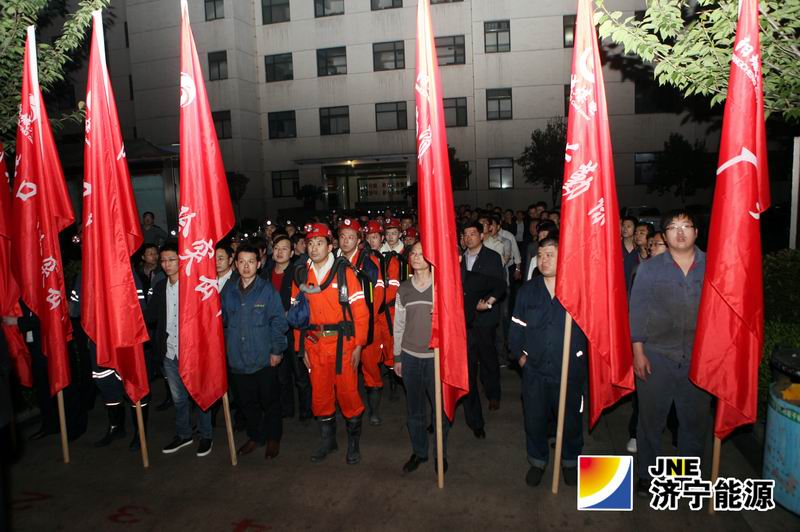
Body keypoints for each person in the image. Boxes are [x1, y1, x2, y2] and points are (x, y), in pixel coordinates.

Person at [629, 210, 711, 495]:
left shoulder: (713, 266)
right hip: (656, 355)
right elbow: (637, 311)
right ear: (663, 236)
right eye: (673, 227)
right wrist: (638, 352)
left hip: (700, 359)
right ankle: (647, 474)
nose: (680, 232)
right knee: (651, 420)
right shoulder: (650, 269)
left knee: (694, 423)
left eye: (686, 226)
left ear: (696, 232)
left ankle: (686, 478)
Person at [509, 236, 588, 487]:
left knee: (571, 419)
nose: (544, 260)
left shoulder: (577, 290)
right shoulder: (528, 291)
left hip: (569, 369)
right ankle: (537, 460)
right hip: (534, 370)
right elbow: (516, 328)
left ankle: (570, 461)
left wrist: (581, 360)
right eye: (540, 255)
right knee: (534, 418)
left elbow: (592, 331)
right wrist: (520, 359)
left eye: (550, 255)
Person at [291, 224, 370, 464]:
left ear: (330, 245)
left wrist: (358, 346)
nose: (314, 248)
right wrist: (300, 347)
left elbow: (361, 313)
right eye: (310, 243)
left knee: (348, 395)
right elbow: (297, 315)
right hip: (314, 345)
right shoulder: (301, 274)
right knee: (321, 396)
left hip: (343, 346)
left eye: (319, 243)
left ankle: (353, 443)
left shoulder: (344, 273)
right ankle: (328, 441)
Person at [145, 243, 214, 457]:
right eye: (163, 260)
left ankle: (206, 435)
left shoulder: (194, 286)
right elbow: (151, 317)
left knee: (200, 395)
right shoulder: (159, 287)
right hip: (170, 352)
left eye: (171, 260)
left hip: (193, 351)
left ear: (181, 260)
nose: (166, 264)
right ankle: (184, 434)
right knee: (179, 399)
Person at [221, 244, 288, 459]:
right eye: (242, 261)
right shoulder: (228, 291)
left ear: (258, 264)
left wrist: (277, 351)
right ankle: (255, 436)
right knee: (247, 403)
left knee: (270, 401)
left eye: (251, 261)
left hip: (263, 358)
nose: (246, 266)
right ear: (236, 263)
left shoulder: (267, 290)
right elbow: (220, 322)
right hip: (238, 359)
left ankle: (273, 438)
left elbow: (279, 322)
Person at [394, 241, 449, 474]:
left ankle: (440, 454)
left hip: (435, 358)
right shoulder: (403, 289)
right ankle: (420, 451)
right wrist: (397, 356)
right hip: (410, 356)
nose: (416, 257)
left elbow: (453, 325)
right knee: (414, 409)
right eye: (413, 254)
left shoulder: (441, 287)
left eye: (421, 253)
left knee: (440, 411)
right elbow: (399, 325)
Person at [336, 219, 385, 426]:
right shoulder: (332, 262)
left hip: (367, 327)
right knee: (344, 372)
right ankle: (349, 408)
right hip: (342, 330)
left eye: (351, 236)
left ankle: (373, 410)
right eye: (342, 236)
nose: (346, 241)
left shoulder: (369, 262)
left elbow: (379, 295)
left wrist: (362, 324)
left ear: (359, 239)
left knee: (371, 370)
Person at [460, 222, 505, 435]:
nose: (469, 237)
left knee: (488, 358)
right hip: (465, 321)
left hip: (485, 318)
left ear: (481, 236)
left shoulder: (492, 257)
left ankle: (493, 394)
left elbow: (499, 285)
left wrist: (487, 303)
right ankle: (474, 416)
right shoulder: (459, 259)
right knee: (469, 366)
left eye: (473, 234)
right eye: (466, 234)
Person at [262, 235, 312, 422]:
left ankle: (306, 410)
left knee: (300, 374)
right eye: (276, 248)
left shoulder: (297, 272)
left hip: (294, 330)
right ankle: (287, 408)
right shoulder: (265, 274)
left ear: (292, 253)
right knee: (281, 374)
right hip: (274, 331)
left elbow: (305, 302)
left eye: (284, 249)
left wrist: (289, 314)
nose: (280, 252)